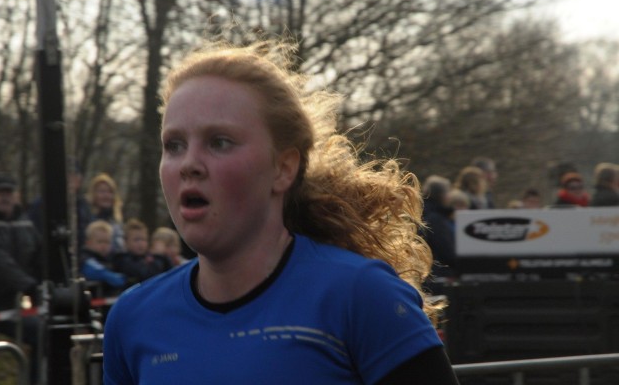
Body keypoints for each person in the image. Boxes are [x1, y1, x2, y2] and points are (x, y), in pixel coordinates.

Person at [103, 39, 458, 384]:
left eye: (219, 142)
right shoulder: (133, 317)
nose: (189, 164)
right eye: (174, 145)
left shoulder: (361, 295)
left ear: (284, 168)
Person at [0, 173, 41, 384]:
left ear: (17, 195)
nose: (4, 197)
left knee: (43, 334)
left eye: (8, 192)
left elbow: (39, 254)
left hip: (10, 304)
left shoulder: (25, 222)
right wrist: (28, 285)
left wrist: (43, 284)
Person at [28, 158, 93, 251]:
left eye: (73, 175)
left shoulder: (83, 205)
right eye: (66, 175)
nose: (69, 179)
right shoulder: (41, 204)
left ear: (79, 181)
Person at [113, 219, 171, 286]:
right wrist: (158, 256)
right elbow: (145, 275)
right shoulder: (121, 259)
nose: (141, 243)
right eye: (136, 239)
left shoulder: (153, 257)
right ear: (125, 242)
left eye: (144, 239)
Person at [420, 175, 457, 281]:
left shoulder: (423, 214)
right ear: (442, 195)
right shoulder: (436, 219)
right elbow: (447, 252)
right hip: (439, 274)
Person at [80, 220, 126, 293]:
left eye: (107, 242)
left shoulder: (112, 258)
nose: (104, 245)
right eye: (100, 241)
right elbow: (95, 270)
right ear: (88, 242)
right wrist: (112, 277)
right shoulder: (85, 258)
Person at [85, 173, 125, 253]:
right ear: (94, 194)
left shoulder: (117, 222)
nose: (106, 195)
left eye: (110, 192)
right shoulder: (87, 219)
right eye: (102, 191)